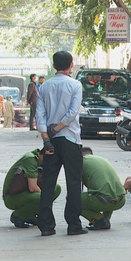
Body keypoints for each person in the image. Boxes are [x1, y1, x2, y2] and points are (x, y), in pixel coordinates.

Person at [36, 51, 86, 236]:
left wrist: (46, 137)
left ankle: (46, 226)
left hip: (51, 142)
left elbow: (39, 115)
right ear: (71, 65)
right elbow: (73, 113)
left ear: (54, 65)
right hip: (70, 138)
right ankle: (74, 224)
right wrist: (58, 129)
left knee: (48, 182)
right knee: (73, 182)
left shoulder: (45, 86)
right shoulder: (75, 85)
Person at [3, 148, 61, 228]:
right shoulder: (31, 159)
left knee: (56, 188)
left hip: (24, 193)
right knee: (42, 197)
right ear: (47, 153)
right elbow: (33, 188)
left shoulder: (39, 159)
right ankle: (18, 216)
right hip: (11, 197)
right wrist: (46, 200)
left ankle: (30, 213)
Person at [81, 147, 126, 230]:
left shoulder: (81, 161)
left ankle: (99, 219)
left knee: (72, 200)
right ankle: (106, 220)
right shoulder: (102, 159)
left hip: (102, 201)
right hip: (121, 200)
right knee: (109, 192)